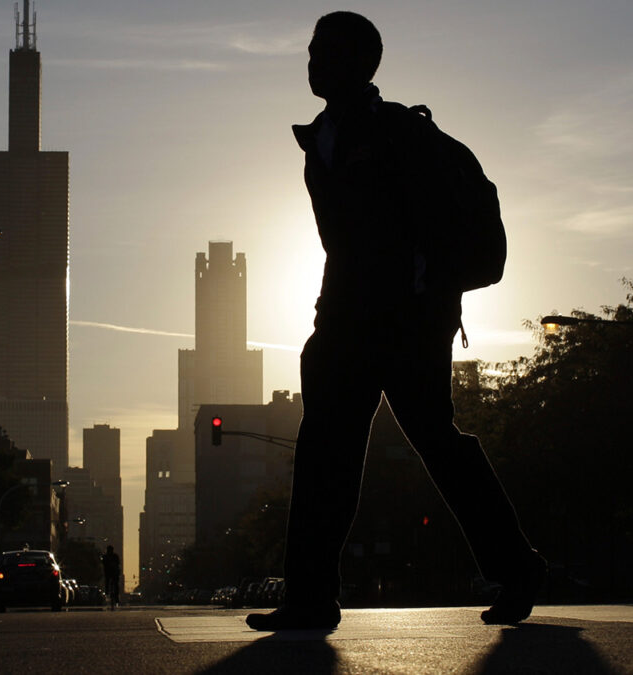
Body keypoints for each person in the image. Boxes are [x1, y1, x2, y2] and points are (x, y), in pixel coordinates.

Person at [246, 11, 545, 632]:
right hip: (344, 323)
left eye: (326, 51)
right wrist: (331, 315)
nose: (312, 60)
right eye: (311, 48)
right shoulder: (321, 141)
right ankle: (310, 597)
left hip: (405, 322)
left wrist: (422, 298)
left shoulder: (397, 135)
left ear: (361, 63)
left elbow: (429, 228)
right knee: (325, 452)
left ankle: (518, 569)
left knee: (436, 444)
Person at [101, 545, 121, 609]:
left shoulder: (110, 556)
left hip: (113, 573)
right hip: (110, 573)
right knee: (111, 583)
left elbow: (118, 563)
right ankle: (110, 594)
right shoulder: (108, 556)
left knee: (113, 583)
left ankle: (112, 595)